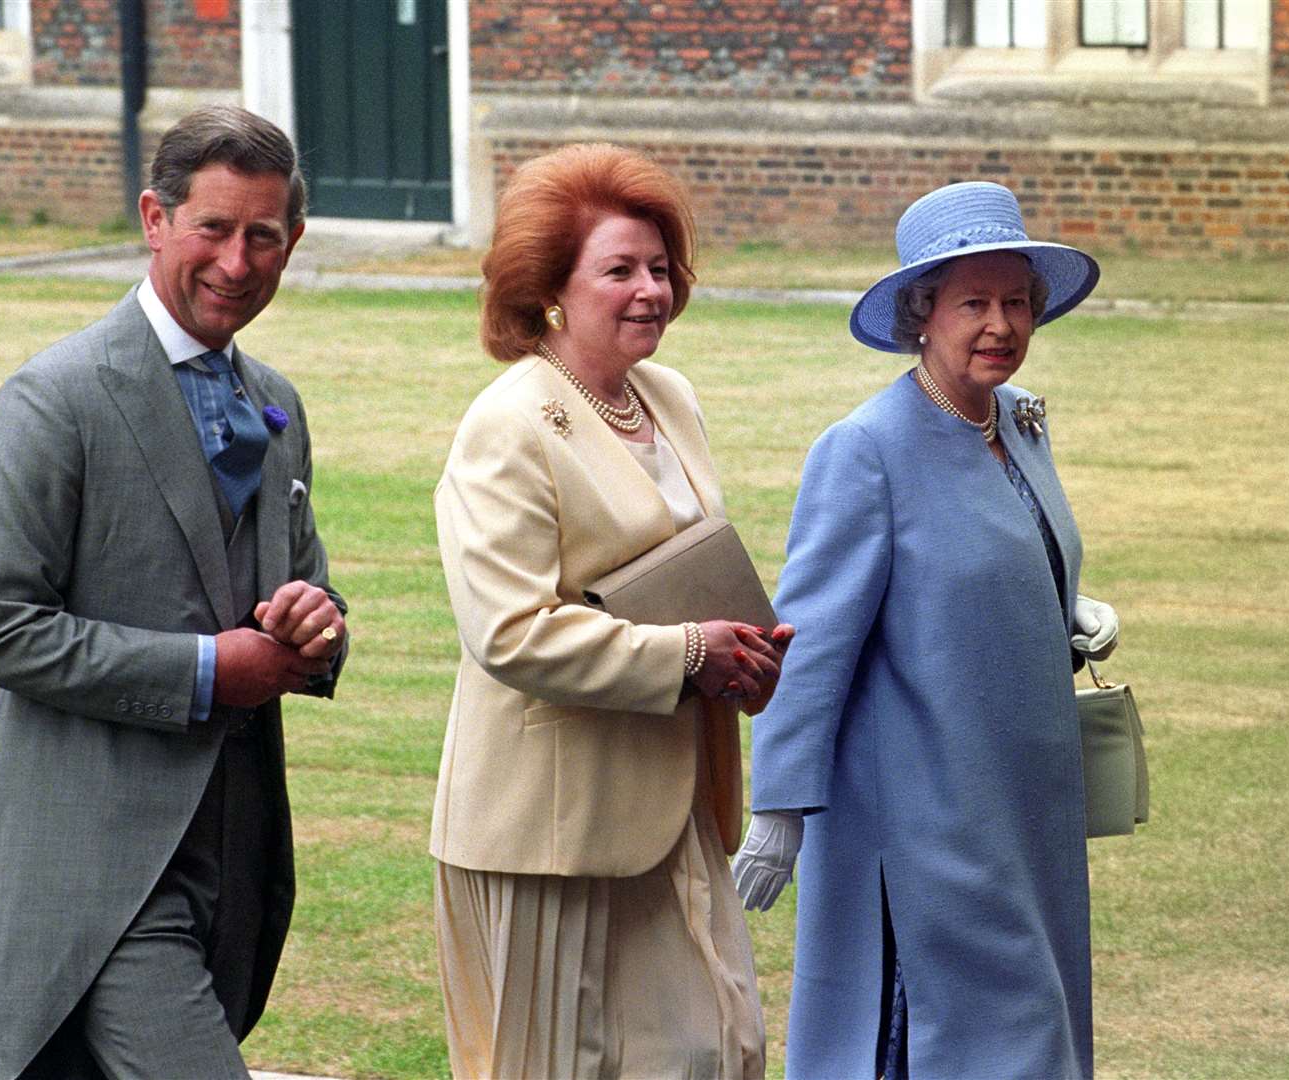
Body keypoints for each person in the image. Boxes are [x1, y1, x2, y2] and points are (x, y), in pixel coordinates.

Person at [0, 105, 348, 1080]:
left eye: (264, 236)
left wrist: (318, 628)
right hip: (103, 876)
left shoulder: (279, 405)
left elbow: (307, 597)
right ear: (153, 218)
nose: (237, 260)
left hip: (237, 851)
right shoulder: (56, 401)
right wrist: (212, 670)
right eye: (214, 228)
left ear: (292, 242)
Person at [732, 181, 1121, 1079]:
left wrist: (1064, 606)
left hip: (1023, 803)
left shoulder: (1018, 422)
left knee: (1028, 1021)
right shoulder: (866, 448)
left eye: (1016, 301)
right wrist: (780, 807)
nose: (1001, 324)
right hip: (925, 819)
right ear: (921, 314)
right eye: (973, 303)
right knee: (971, 1038)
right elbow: (814, 643)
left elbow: (990, 560)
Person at [430, 143, 790, 1079]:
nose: (651, 292)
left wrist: (743, 651)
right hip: (551, 826)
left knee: (721, 1048)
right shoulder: (507, 423)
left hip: (678, 803)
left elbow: (684, 566)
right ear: (552, 288)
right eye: (620, 270)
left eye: (661, 268)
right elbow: (508, 631)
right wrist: (688, 655)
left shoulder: (668, 396)